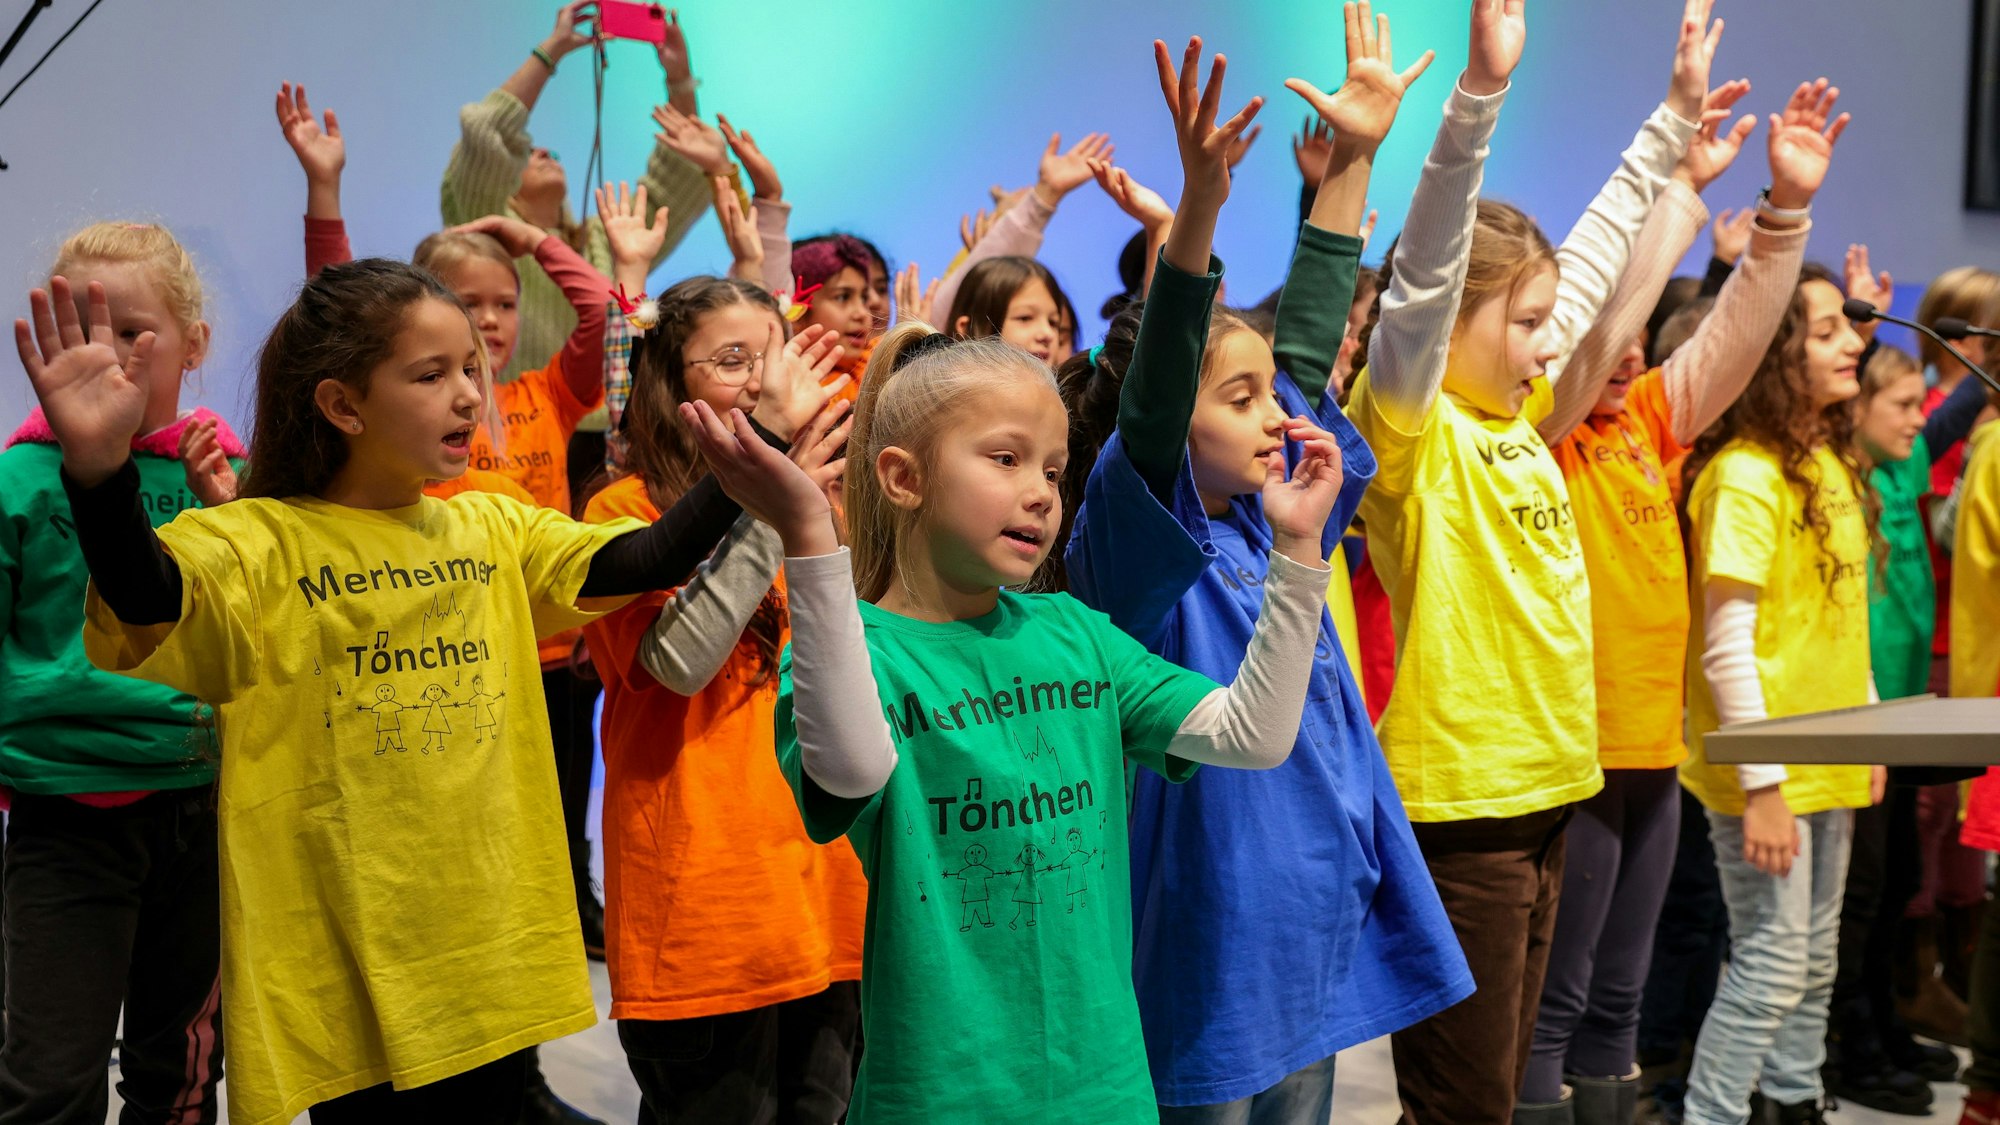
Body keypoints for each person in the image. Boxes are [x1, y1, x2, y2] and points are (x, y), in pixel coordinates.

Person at [12, 255, 824, 1123]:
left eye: (470, 368)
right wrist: (99, 478)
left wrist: (762, 442)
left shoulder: (491, 520)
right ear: (343, 404)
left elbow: (648, 557)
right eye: (432, 375)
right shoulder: (256, 540)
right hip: (352, 964)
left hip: (487, 954)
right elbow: (146, 596)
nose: (470, 396)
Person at [674, 269, 1343, 1118]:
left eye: (1055, 471)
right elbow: (852, 774)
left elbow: (1254, 734)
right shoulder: (855, 647)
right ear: (903, 477)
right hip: (942, 1099)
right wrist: (809, 535)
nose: (1040, 492)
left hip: (1107, 1093)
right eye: (1005, 459)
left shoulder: (1075, 632)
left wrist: (1298, 548)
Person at [1060, 11, 1472, 1120]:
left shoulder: (1270, 516)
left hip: (1308, 919)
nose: (1276, 414)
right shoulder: (1134, 546)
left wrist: (1356, 159)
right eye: (1236, 400)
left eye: (1268, 400)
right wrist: (1199, 207)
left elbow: (1300, 346)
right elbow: (1157, 403)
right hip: (1210, 940)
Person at [1345, 0, 1712, 1118]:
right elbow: (1421, 278)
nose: (1550, 344)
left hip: (1549, 796)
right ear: (1450, 319)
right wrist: (1480, 96)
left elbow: (1594, 257)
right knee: (1462, 1106)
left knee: (1496, 1097)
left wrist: (1669, 123)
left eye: (1551, 321)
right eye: (1525, 322)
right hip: (1466, 818)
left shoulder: (1517, 420)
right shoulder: (1410, 430)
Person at [1528, 73, 1825, 1124]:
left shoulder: (1643, 421)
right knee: (1556, 1003)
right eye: (1609, 339)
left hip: (1654, 749)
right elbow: (1598, 329)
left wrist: (1783, 214)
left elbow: (1732, 337)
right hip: (1576, 752)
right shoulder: (1545, 433)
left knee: (1619, 996)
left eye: (1638, 343)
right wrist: (1676, 198)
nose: (1626, 355)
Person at [582, 274, 871, 1122]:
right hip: (707, 913)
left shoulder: (829, 503)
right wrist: (775, 505)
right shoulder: (619, 512)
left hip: (828, 901)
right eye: (733, 360)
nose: (762, 382)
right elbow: (677, 661)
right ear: (669, 385)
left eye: (774, 358)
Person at [0, 222, 239, 1125]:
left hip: (199, 809)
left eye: (134, 330)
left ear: (194, 343)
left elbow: (261, 638)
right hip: (64, 810)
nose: (108, 354)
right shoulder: (21, 478)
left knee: (178, 1074)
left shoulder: (226, 476)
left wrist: (233, 516)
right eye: (85, 329)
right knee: (48, 1078)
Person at [1675, 213, 1887, 1125]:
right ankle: (1713, 1115)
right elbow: (1727, 645)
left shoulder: (1830, 463)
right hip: (1765, 771)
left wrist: (1867, 727)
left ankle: (1795, 1103)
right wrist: (1761, 784)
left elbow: (1843, 623)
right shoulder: (1745, 475)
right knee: (1767, 964)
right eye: (1828, 331)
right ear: (1774, 353)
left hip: (1830, 753)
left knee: (1814, 960)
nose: (1854, 344)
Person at [441, 0, 715, 381]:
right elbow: (489, 133)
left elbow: (681, 176)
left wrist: (679, 78)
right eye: (528, 152)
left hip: (606, 414)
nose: (543, 153)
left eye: (551, 153)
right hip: (512, 410)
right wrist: (550, 50)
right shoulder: (487, 231)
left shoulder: (599, 240)